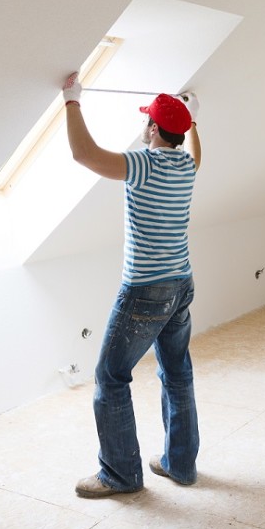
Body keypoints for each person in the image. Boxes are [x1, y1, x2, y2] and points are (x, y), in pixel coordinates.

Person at [61, 72, 202, 498]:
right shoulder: (186, 166)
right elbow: (196, 152)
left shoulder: (143, 163)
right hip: (181, 283)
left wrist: (71, 100)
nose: (143, 127)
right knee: (177, 373)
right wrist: (194, 121)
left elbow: (83, 154)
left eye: (148, 121)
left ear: (154, 129)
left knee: (110, 376)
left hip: (146, 290)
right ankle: (180, 464)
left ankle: (120, 475)